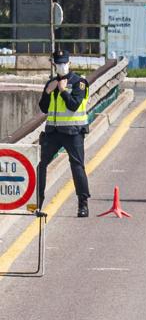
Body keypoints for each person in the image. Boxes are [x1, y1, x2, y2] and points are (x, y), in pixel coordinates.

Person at [36, 49, 91, 216]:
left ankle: (83, 204)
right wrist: (47, 92)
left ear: (69, 63)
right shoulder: (51, 83)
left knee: (77, 166)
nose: (61, 66)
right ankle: (38, 202)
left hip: (73, 132)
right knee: (41, 165)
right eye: (58, 63)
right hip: (53, 132)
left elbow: (74, 105)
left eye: (64, 63)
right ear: (54, 65)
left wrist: (63, 91)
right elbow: (44, 108)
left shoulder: (79, 82)